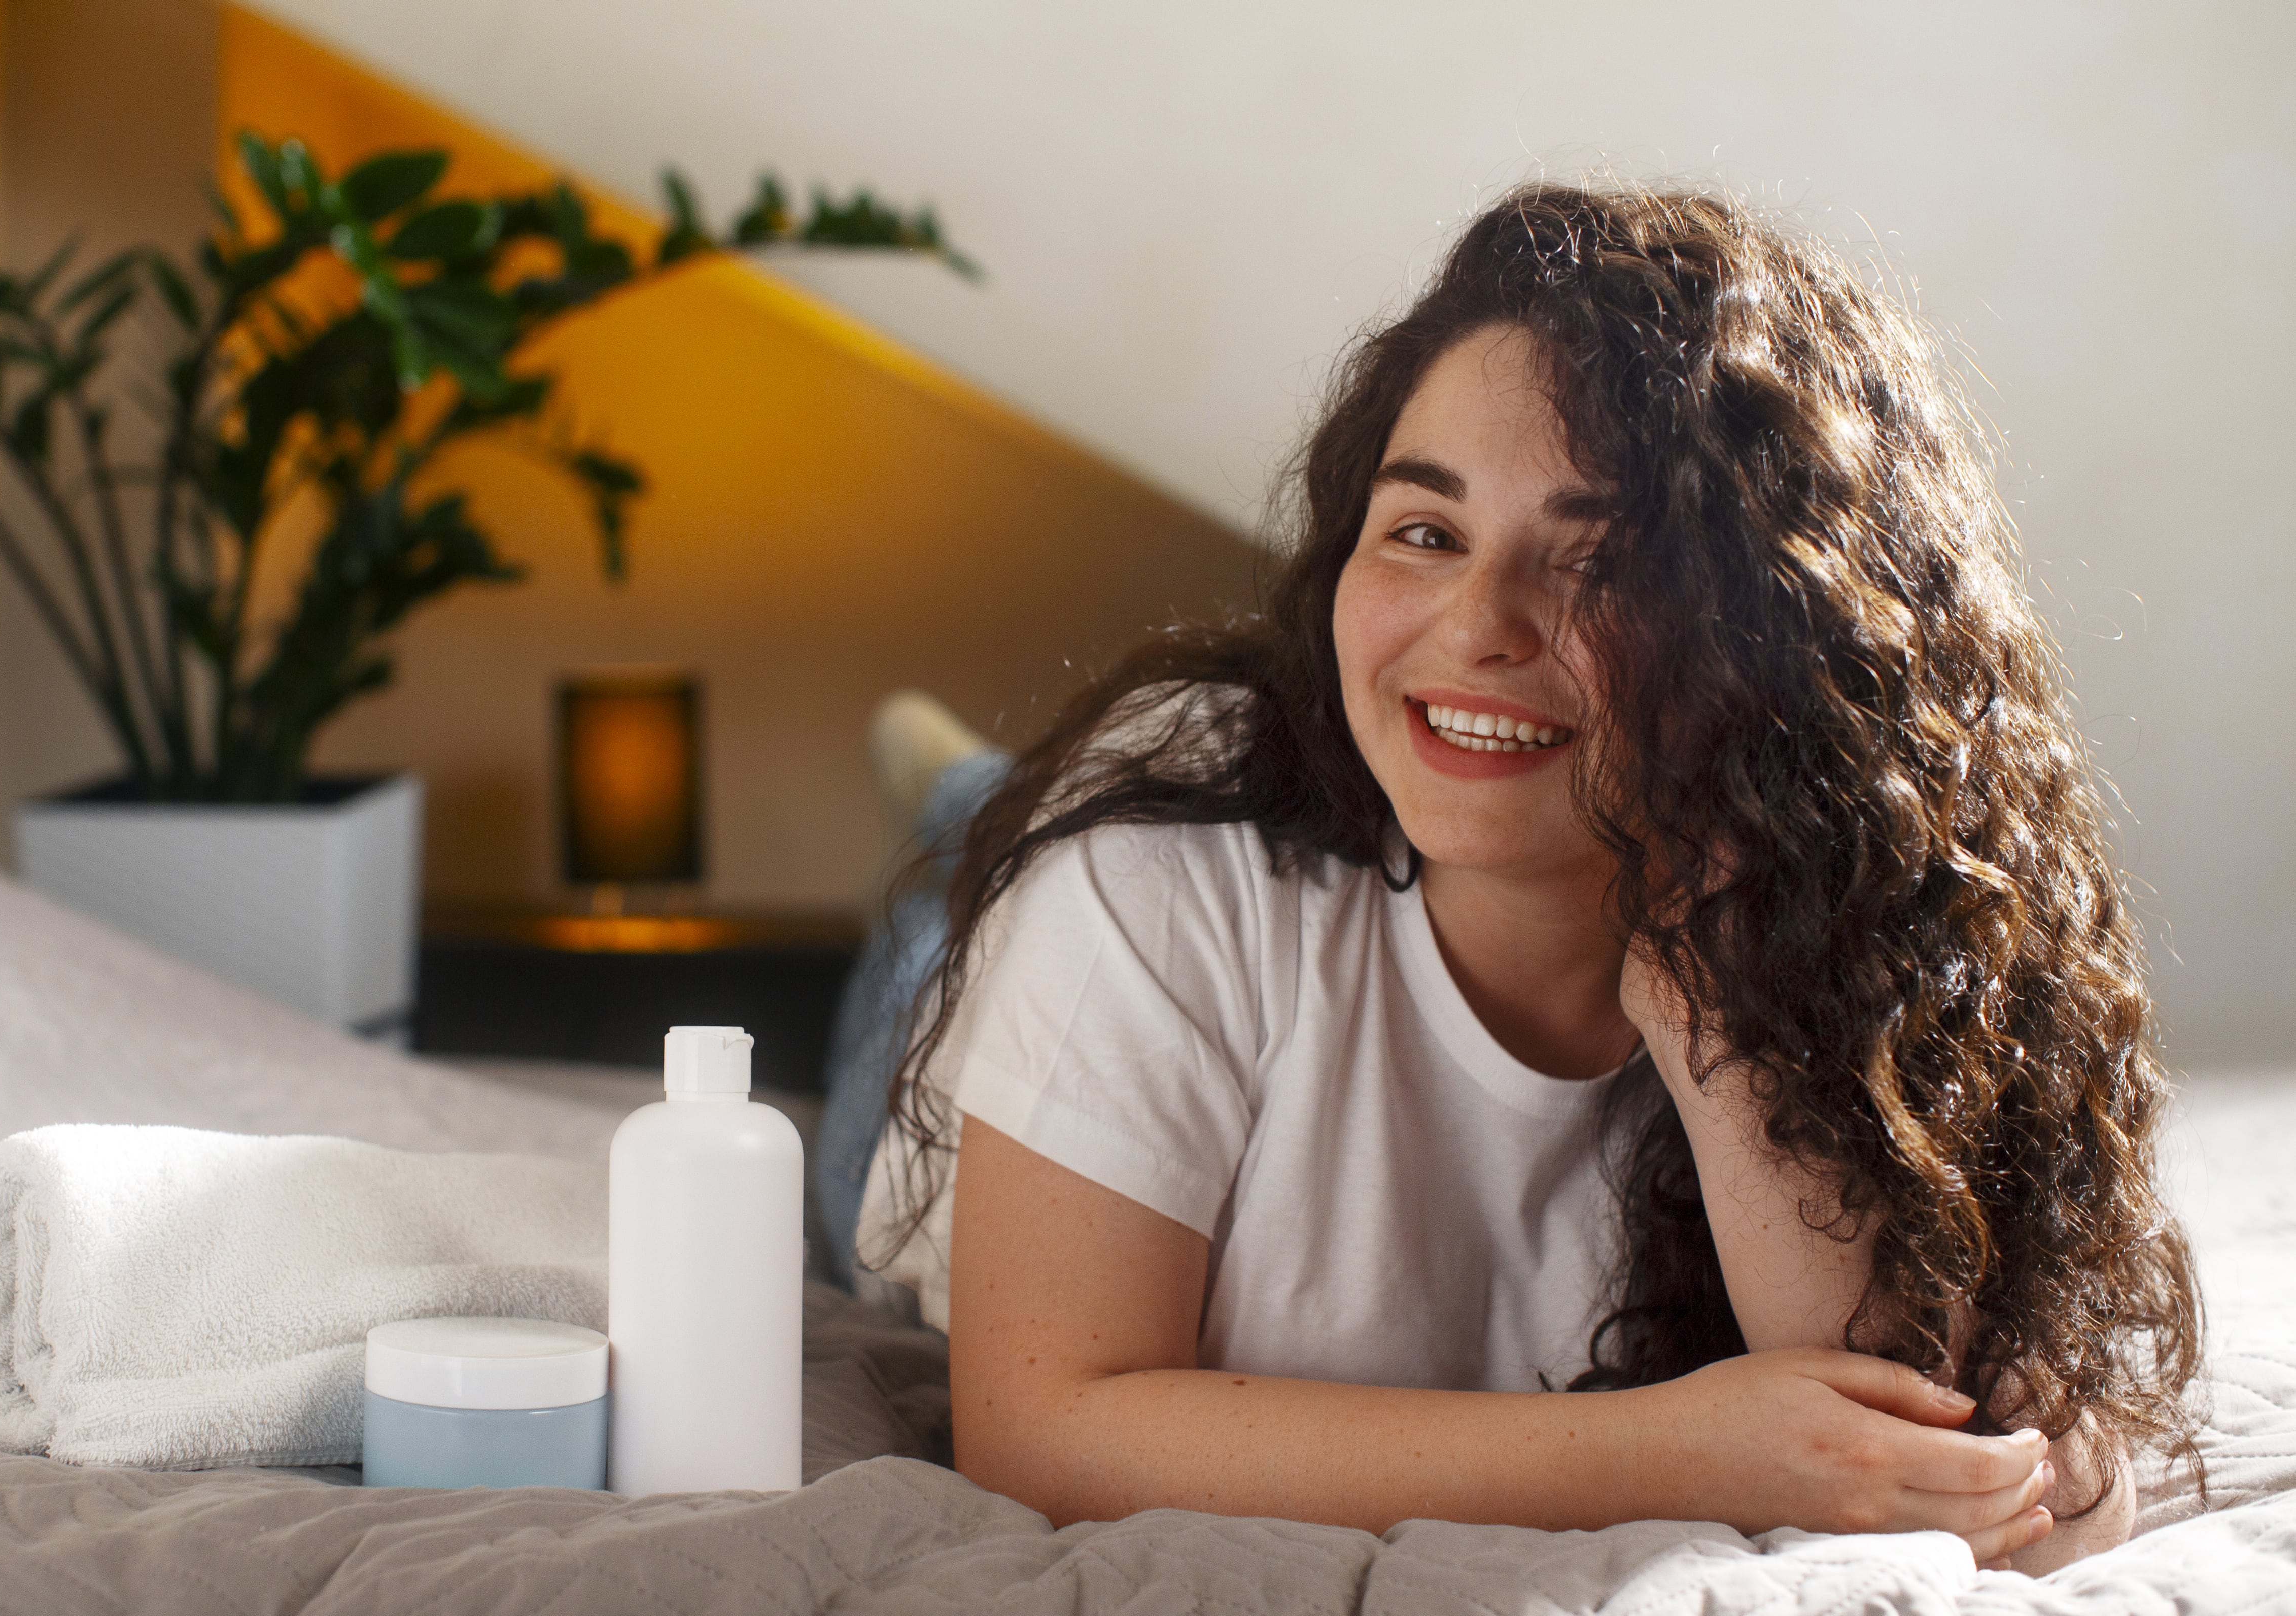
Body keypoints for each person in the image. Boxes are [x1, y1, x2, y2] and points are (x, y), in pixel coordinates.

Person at [853, 183, 2201, 1575]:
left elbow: (1960, 1456)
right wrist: (1684, 1450)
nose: (1478, 625)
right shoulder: (1148, 871)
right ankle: (955, 792)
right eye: (1424, 532)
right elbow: (1037, 1431)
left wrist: (1712, 1001)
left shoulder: (1864, 907)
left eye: (1598, 561)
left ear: (1776, 631)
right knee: (968, 872)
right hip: (1039, 978)